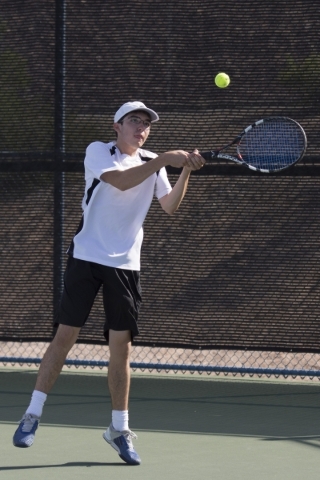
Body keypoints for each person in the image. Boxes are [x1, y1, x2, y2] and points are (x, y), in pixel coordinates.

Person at [12, 100, 206, 465]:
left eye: (146, 123)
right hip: (86, 256)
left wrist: (186, 171)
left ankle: (118, 429)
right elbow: (118, 181)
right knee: (65, 337)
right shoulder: (99, 151)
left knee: (121, 349)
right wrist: (165, 159)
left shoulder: (153, 162)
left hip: (125, 266)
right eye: (134, 120)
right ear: (117, 126)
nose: (141, 127)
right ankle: (32, 415)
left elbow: (169, 207)